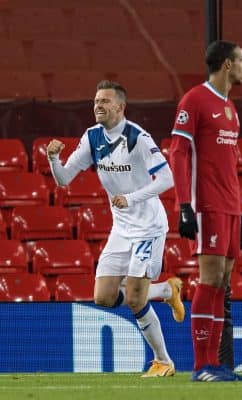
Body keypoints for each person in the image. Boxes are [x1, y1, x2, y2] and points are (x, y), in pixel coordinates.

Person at [47, 80, 185, 377]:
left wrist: (131, 198)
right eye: (96, 101)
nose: (98, 105)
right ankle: (164, 290)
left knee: (135, 298)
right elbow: (64, 179)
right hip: (121, 229)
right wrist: (53, 158)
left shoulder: (137, 137)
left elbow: (167, 179)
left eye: (105, 101)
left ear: (120, 107)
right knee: (104, 297)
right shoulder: (92, 137)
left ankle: (163, 361)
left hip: (148, 227)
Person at [169, 40, 242, 382]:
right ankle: (201, 365)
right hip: (206, 203)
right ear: (228, 65)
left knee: (223, 281)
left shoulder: (230, 108)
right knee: (210, 278)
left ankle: (215, 364)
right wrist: (184, 205)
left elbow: (229, 163)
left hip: (230, 205)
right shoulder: (194, 100)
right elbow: (178, 152)